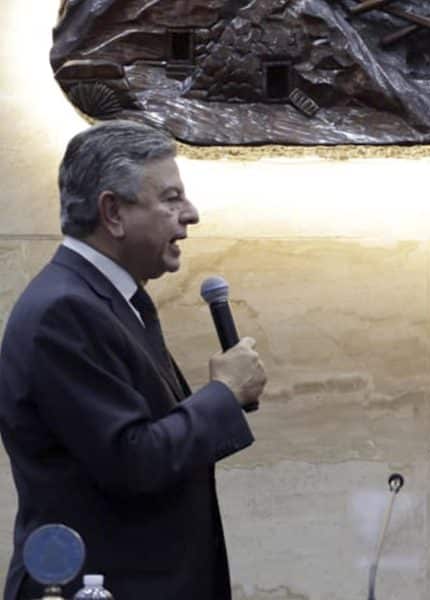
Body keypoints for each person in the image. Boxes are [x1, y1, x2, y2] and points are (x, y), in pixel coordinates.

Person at [0, 120, 267, 599]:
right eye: (170, 198)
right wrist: (223, 394)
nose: (192, 214)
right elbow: (132, 461)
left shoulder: (111, 299)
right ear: (113, 212)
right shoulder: (66, 310)